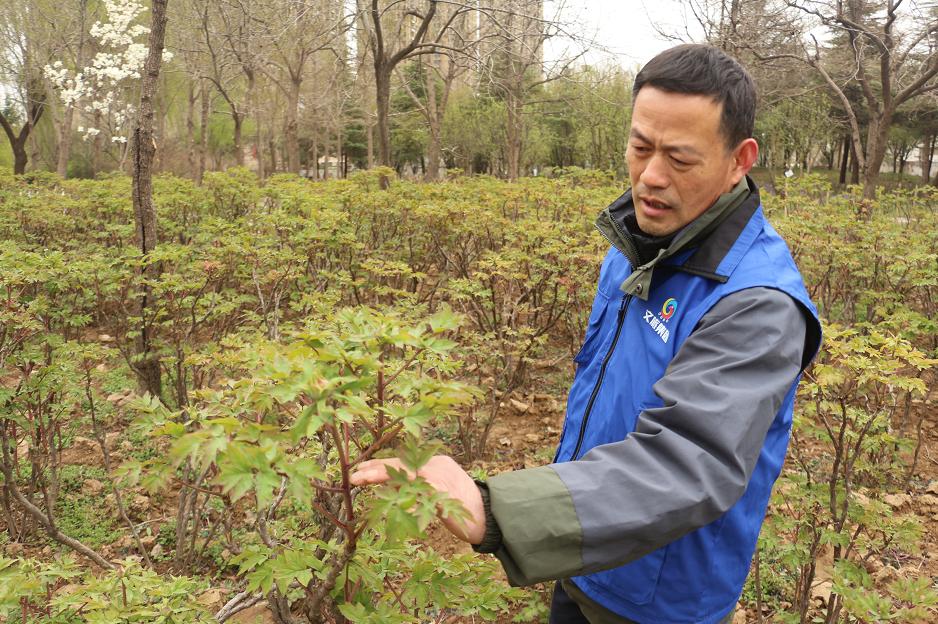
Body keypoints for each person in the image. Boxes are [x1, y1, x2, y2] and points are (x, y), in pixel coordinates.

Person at [351, 44, 822, 624]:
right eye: (640, 146)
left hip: (659, 597)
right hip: (580, 555)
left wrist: (501, 509)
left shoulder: (757, 303)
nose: (650, 176)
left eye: (679, 158)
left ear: (739, 159)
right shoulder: (637, 243)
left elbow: (686, 463)